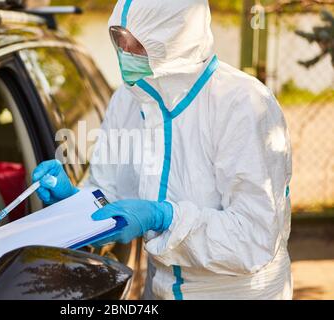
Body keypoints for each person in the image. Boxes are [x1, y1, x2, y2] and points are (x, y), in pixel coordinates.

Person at [32, 0, 293, 300]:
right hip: (160, 287)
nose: (125, 53)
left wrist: (164, 217)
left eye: (138, 44)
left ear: (174, 40)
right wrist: (73, 199)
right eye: (119, 38)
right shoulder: (128, 99)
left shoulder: (243, 104)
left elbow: (253, 238)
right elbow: (108, 193)